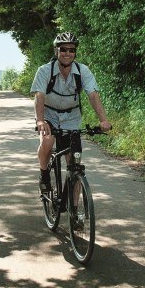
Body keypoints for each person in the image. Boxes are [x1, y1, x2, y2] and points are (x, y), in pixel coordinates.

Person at [31, 32, 112, 195]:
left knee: (74, 163)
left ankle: (75, 213)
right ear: (56, 51)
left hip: (72, 116)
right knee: (47, 141)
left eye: (71, 50)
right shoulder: (44, 70)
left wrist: (103, 120)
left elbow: (93, 95)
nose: (67, 53)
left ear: (75, 52)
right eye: (63, 49)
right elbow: (39, 96)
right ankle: (44, 173)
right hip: (49, 115)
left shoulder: (83, 71)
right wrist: (40, 121)